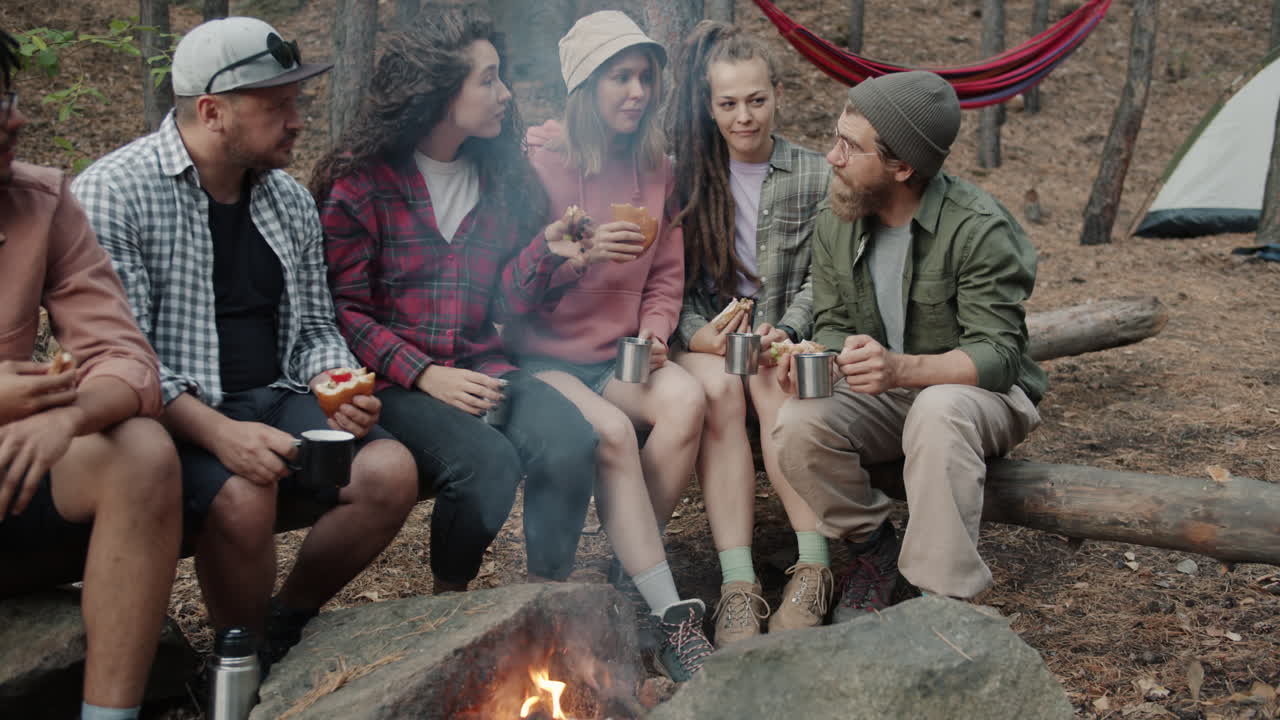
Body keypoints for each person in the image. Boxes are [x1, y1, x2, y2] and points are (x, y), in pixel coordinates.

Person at [70, 17, 419, 668]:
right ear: (213, 111)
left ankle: (282, 624)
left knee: (388, 474)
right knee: (242, 495)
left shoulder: (286, 199)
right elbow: (126, 359)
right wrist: (220, 435)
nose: (297, 120)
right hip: (166, 414)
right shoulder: (114, 192)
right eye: (277, 105)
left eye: (297, 102)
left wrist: (335, 385)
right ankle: (238, 663)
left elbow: (315, 328)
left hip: (276, 395)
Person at [310, 9, 598, 592]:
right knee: (487, 464)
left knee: (571, 440)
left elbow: (503, 303)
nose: (504, 94)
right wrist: (424, 375)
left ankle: (544, 597)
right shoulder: (362, 186)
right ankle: (450, 610)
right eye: (488, 80)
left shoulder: (504, 181)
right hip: (392, 384)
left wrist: (545, 251)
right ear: (442, 92)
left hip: (482, 370)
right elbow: (346, 311)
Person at [772, 71, 1046, 620]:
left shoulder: (979, 228)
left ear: (902, 167)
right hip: (893, 398)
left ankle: (939, 608)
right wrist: (815, 357)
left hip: (978, 396)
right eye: (836, 137)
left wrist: (899, 369)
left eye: (850, 147)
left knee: (938, 409)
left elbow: (999, 356)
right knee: (797, 424)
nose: (832, 156)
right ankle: (874, 550)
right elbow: (830, 321)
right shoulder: (838, 216)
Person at [503, 10, 713, 681]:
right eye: (620, 77)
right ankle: (667, 605)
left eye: (645, 77)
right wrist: (579, 259)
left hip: (616, 354)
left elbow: (666, 278)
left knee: (685, 399)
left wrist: (654, 334)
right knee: (613, 432)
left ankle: (628, 574)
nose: (637, 91)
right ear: (586, 85)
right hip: (539, 358)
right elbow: (508, 292)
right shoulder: (536, 163)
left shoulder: (658, 168)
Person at [0, 29, 182, 720]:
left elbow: (125, 357)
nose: (17, 118)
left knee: (139, 452)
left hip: (13, 481)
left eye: (9, 97)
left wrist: (66, 416)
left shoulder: (39, 203)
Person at [665, 21, 833, 646]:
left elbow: (826, 275)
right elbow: (671, 284)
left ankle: (814, 567)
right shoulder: (688, 181)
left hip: (783, 339)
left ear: (777, 95)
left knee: (768, 384)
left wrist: (787, 328)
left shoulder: (815, 175)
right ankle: (739, 586)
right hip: (709, 342)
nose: (744, 117)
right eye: (729, 103)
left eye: (756, 100)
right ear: (710, 108)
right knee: (720, 394)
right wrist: (699, 336)